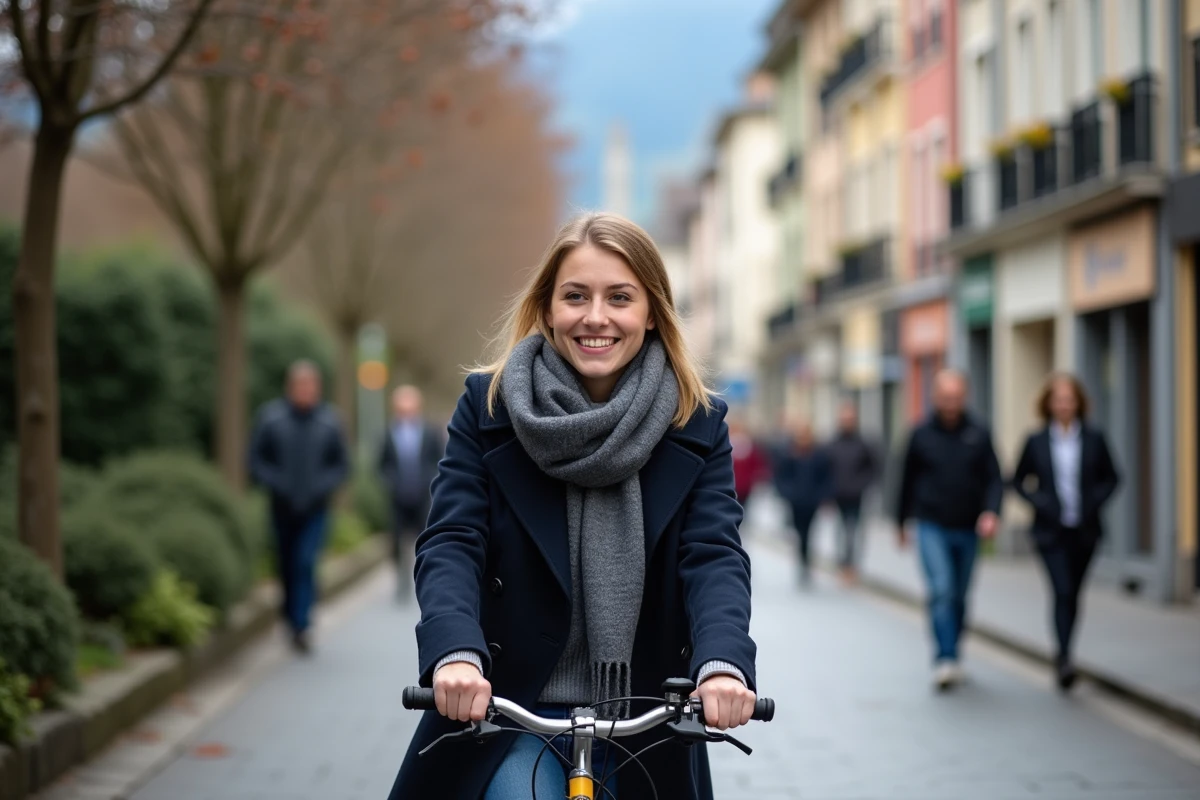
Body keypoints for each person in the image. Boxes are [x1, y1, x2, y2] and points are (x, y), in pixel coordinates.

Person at [389, 213, 757, 800]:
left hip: (645, 715)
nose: (595, 317)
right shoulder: (488, 407)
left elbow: (713, 556)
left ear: (652, 312)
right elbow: (453, 540)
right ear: (547, 307)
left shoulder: (698, 420)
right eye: (575, 296)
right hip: (509, 709)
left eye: (619, 297)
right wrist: (456, 652)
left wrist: (722, 664)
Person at [1011, 373, 1119, 692]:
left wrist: (1093, 502)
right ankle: (1064, 657)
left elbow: (1112, 477)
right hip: (1050, 532)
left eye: (1069, 400)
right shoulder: (1036, 440)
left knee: (1073, 592)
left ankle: (1065, 648)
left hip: (1085, 530)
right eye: (1058, 400)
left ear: (1079, 403)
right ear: (1048, 404)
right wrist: (1041, 502)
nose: (1064, 406)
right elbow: (1017, 480)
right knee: (1061, 590)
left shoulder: (1094, 438)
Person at [895, 369, 1002, 692]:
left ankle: (955, 652)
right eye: (945, 397)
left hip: (969, 527)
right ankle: (945, 658)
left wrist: (992, 513)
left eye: (956, 397)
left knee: (959, 594)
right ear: (935, 398)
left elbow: (995, 478)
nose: (951, 404)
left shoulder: (979, 432)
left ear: (964, 397)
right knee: (941, 589)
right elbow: (905, 480)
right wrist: (900, 522)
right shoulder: (921, 433)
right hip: (931, 525)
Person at [248, 361, 349, 654]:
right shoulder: (270, 419)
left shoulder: (330, 422)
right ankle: (290, 615)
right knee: (286, 563)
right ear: (290, 388)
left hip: (315, 509)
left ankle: (302, 624)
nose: (305, 391)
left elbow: (341, 465)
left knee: (305, 562)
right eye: (300, 385)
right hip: (281, 507)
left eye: (310, 385)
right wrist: (277, 485)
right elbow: (256, 461)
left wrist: (322, 487)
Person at [378, 385, 444, 598]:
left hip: (423, 496)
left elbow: (440, 459)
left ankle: (424, 577)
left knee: (424, 539)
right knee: (397, 541)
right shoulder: (388, 433)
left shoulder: (429, 431)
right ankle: (401, 580)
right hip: (397, 497)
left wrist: (430, 479)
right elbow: (381, 464)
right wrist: (391, 481)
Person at [771, 420, 831, 585]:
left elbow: (825, 476)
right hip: (795, 501)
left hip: (812, 501)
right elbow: (780, 476)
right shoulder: (789, 453)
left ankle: (806, 561)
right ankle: (802, 560)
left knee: (809, 532)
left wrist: (823, 495)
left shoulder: (819, 454)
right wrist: (787, 493)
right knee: (799, 531)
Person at [825, 401, 877, 583]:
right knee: (841, 531)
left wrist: (862, 485)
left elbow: (873, 468)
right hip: (838, 495)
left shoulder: (864, 443)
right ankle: (842, 564)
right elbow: (826, 470)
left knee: (854, 531)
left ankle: (853, 565)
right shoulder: (832, 444)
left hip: (857, 496)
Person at [728, 417, 770, 508]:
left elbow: (756, 464)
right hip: (730, 484)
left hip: (745, 486)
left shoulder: (750, 445)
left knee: (742, 508)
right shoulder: (727, 444)